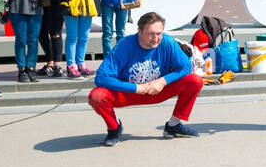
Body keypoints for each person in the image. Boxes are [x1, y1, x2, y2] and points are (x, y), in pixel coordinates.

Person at [88, 11, 205, 145]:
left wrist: (162, 81)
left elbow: (185, 67)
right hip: (129, 92)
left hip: (157, 90)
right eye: (150, 33)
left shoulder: (167, 42)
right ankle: (114, 128)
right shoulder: (125, 45)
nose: (155, 38)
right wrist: (137, 88)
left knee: (195, 81)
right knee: (96, 97)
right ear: (140, 31)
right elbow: (101, 77)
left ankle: (173, 126)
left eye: (158, 33)